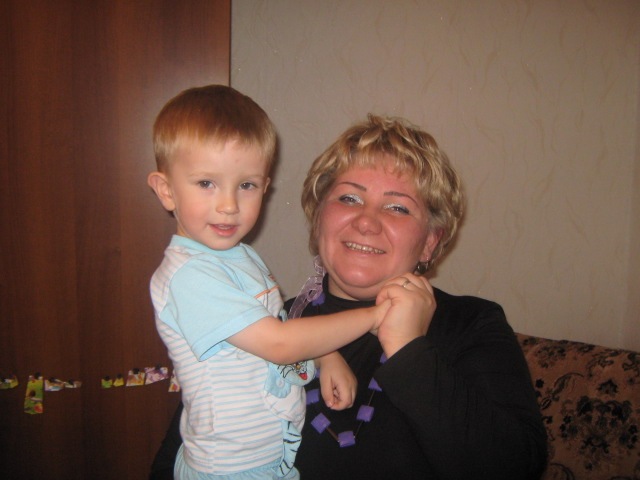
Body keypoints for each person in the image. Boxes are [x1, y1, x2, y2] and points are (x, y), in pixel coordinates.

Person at [150, 114, 548, 479]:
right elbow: (180, 457)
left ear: (430, 241)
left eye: (397, 208)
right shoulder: (264, 320)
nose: (366, 221)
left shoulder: (470, 323)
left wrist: (409, 350)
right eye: (349, 198)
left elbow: (516, 468)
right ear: (318, 216)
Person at [146, 87, 431, 480]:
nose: (229, 205)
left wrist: (324, 357)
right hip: (228, 468)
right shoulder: (191, 276)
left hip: (267, 456)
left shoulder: (239, 258)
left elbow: (272, 334)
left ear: (265, 187)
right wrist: (377, 316)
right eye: (206, 183)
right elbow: (278, 344)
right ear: (166, 191)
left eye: (246, 185)